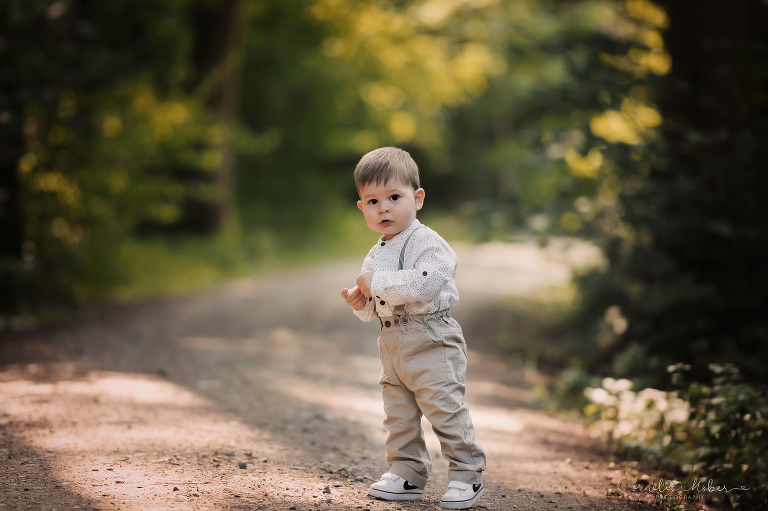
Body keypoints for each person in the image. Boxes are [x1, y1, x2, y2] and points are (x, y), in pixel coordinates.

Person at [340, 147, 487, 510]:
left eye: (394, 197)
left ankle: (467, 473)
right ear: (362, 208)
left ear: (417, 198)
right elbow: (378, 303)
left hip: (431, 338)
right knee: (399, 413)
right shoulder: (375, 254)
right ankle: (406, 473)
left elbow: (426, 285)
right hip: (391, 343)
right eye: (372, 201)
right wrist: (364, 304)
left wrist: (377, 285)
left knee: (444, 407)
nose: (384, 208)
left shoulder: (429, 243)